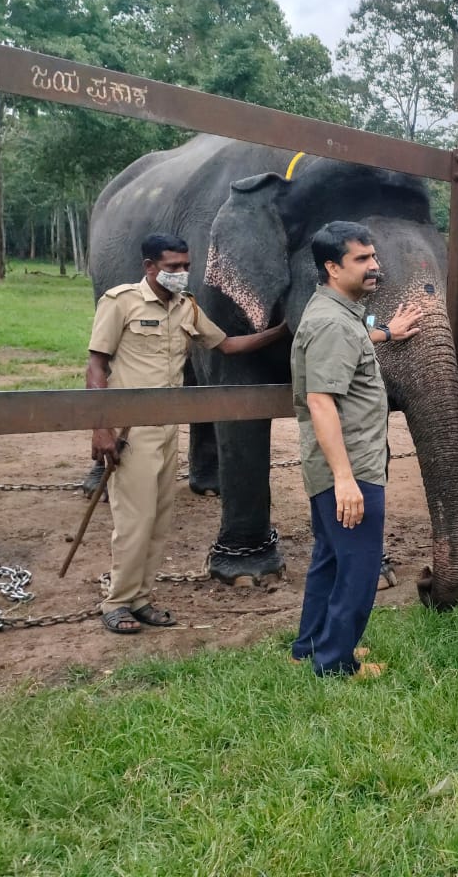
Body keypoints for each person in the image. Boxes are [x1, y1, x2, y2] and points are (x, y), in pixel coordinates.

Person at [87, 233, 288, 635]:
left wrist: (281, 331)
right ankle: (117, 602)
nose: (181, 273)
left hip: (167, 429)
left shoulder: (186, 307)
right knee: (134, 520)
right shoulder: (120, 302)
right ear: (150, 267)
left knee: (160, 518)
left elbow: (227, 345)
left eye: (185, 266)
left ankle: (141, 598)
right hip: (130, 430)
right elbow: (96, 366)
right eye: (173, 266)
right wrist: (100, 427)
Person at [289, 221, 418, 678]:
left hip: (337, 463)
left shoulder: (337, 314)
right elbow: (321, 400)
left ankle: (310, 645)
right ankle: (336, 662)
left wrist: (386, 332)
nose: (374, 266)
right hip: (350, 466)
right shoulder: (331, 323)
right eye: (361, 259)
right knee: (360, 567)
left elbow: (350, 346)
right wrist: (346, 479)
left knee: (330, 557)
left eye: (373, 257)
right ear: (331, 266)